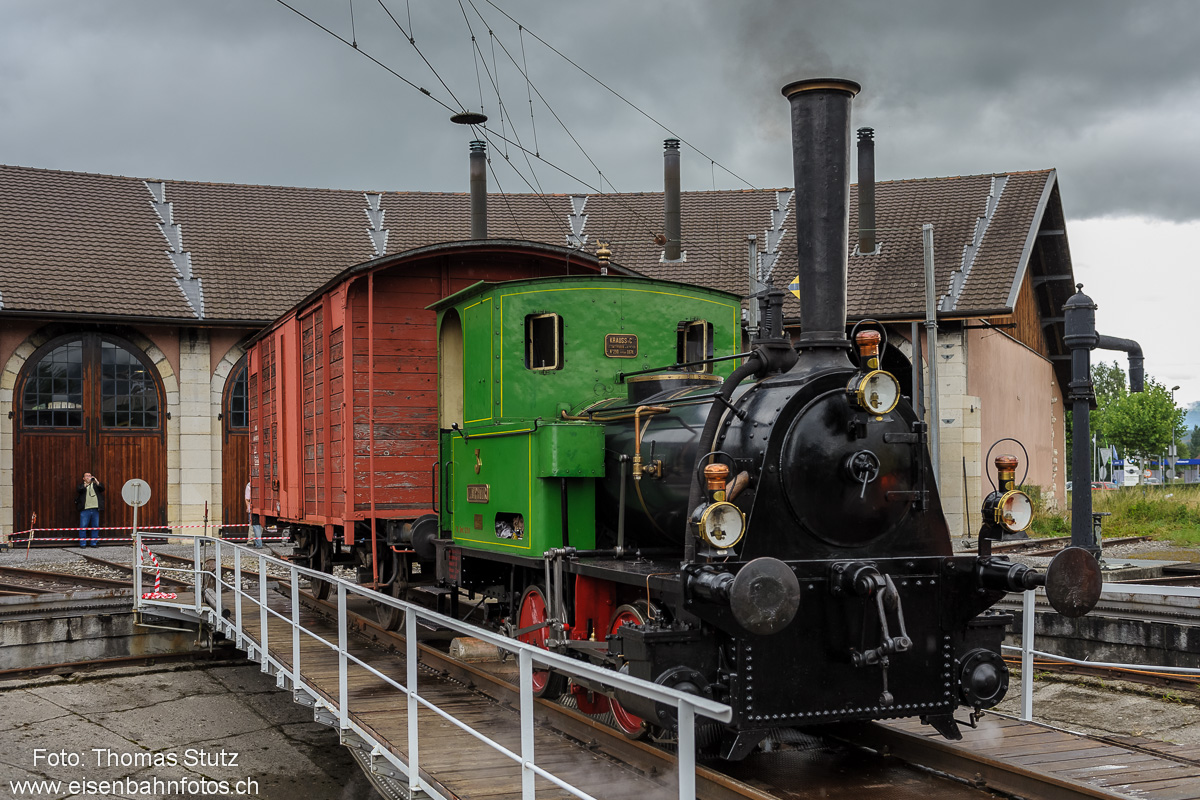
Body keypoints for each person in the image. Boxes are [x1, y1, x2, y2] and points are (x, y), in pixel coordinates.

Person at [76, 472, 104, 547]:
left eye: (90, 476)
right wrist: (87, 484)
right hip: (85, 509)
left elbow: (102, 488)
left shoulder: (95, 485)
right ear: (83, 478)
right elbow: (79, 490)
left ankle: (94, 543)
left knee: (95, 526)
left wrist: (96, 481)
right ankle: (83, 543)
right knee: (83, 526)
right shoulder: (82, 485)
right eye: (87, 476)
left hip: (95, 509)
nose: (89, 477)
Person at [245, 481, 263, 548]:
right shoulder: (250, 485)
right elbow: (247, 499)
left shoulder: (249, 484)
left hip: (253, 508)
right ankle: (255, 541)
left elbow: (247, 498)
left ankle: (252, 540)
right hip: (259, 508)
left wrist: (248, 507)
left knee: (253, 525)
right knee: (258, 525)